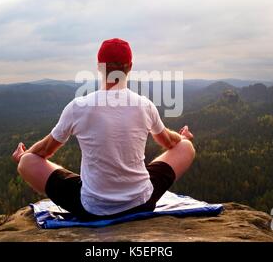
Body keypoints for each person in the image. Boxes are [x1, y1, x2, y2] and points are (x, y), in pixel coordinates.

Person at [12, 38, 195, 220]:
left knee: (27, 162)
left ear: (99, 67)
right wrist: (183, 138)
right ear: (130, 67)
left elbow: (45, 151)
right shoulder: (144, 105)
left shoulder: (78, 106)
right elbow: (169, 142)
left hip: (93, 208)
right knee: (186, 147)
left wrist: (24, 156)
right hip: (142, 201)